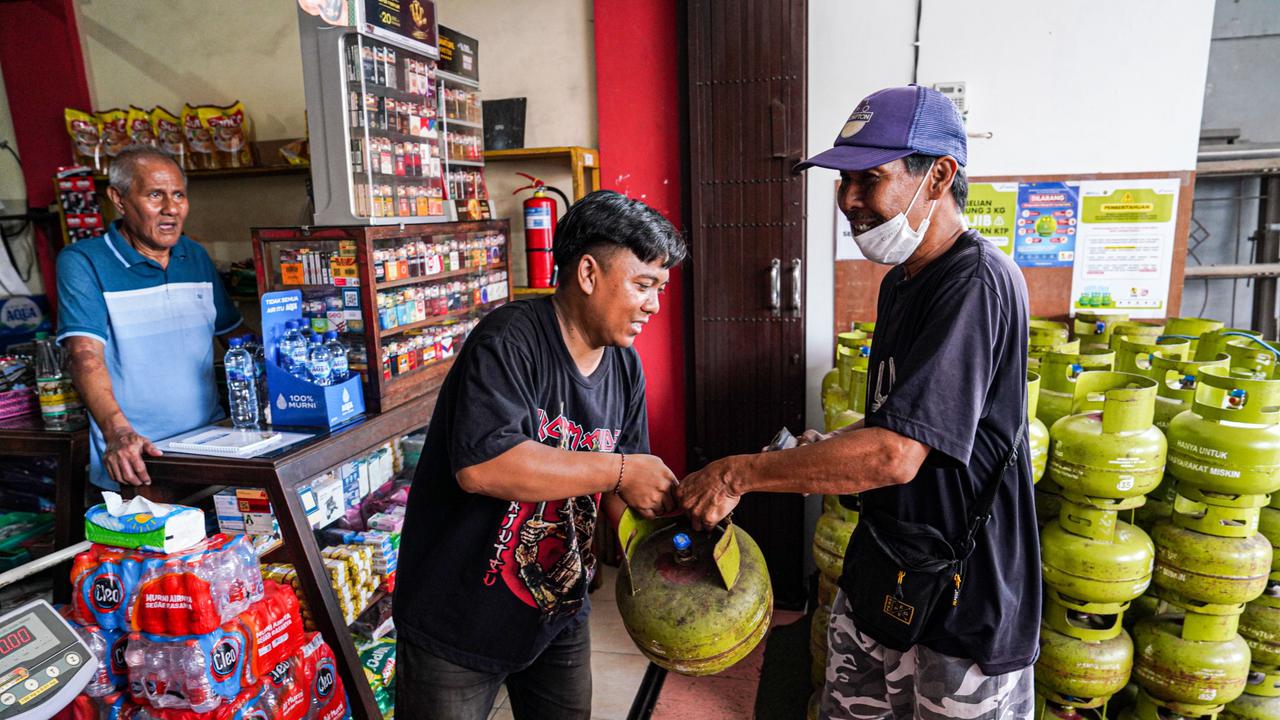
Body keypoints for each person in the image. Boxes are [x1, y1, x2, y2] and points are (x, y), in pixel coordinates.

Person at [677, 85, 1039, 719]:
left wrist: (738, 473)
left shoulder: (977, 281)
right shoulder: (903, 283)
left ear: (939, 177)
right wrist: (834, 450)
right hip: (888, 570)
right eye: (842, 181)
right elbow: (901, 425)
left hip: (961, 600)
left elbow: (897, 455)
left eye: (867, 179)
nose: (847, 200)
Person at [393, 190, 687, 720]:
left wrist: (673, 524)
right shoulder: (508, 342)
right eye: (643, 285)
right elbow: (485, 466)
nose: (654, 305)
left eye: (659, 288)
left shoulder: (625, 367)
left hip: (555, 612)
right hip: (457, 618)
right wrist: (622, 470)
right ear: (589, 273)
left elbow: (623, 498)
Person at [56, 144, 243, 490]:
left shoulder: (195, 255)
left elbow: (237, 338)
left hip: (214, 444)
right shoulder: (84, 262)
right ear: (119, 198)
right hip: (140, 457)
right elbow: (84, 357)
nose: (171, 208)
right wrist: (119, 433)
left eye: (179, 195)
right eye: (155, 195)